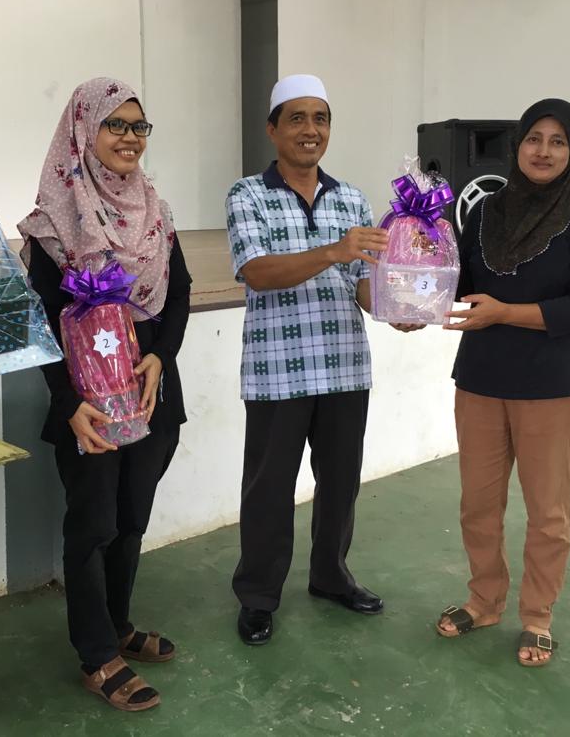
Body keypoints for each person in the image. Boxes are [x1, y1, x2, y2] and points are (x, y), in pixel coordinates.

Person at [19, 77, 191, 712]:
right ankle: (96, 654)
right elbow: (40, 321)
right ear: (83, 131)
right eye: (115, 124)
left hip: (148, 391)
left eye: (138, 126)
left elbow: (179, 292)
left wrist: (160, 356)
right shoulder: (55, 221)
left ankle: (117, 626)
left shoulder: (155, 212)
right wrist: (67, 404)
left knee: (131, 519)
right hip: (87, 400)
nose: (130, 138)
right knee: (93, 525)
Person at [435, 98, 570, 667]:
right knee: (478, 504)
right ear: (517, 146)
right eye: (534, 138)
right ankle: (484, 600)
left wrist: (504, 313)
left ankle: (537, 616)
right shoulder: (487, 211)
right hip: (481, 379)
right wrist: (413, 280)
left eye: (558, 141)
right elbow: (459, 281)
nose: (543, 151)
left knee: (548, 513)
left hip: (551, 385)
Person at [225, 74, 389, 647]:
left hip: (345, 366)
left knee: (340, 483)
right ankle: (258, 596)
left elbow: (362, 286)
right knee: (269, 489)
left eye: (320, 118)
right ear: (272, 129)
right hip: (279, 370)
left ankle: (331, 576)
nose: (310, 129)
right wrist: (336, 249)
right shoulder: (247, 195)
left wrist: (398, 307)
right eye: (296, 118)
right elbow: (257, 272)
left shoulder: (352, 200)